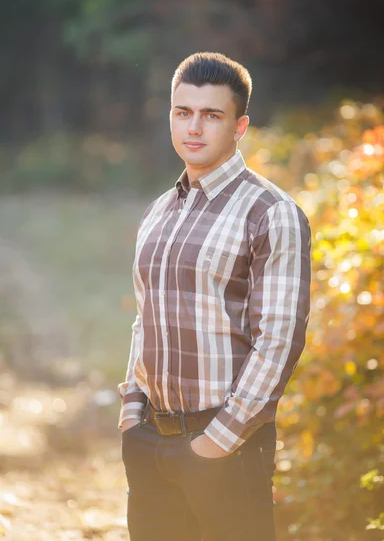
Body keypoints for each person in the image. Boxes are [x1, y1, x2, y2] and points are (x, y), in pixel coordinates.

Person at [117, 51, 311, 541]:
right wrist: (131, 414)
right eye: (183, 113)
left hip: (228, 449)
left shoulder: (271, 212)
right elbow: (146, 317)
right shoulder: (161, 211)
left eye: (212, 115)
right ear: (171, 117)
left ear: (240, 126)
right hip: (150, 444)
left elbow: (279, 339)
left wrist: (216, 442)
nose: (195, 128)